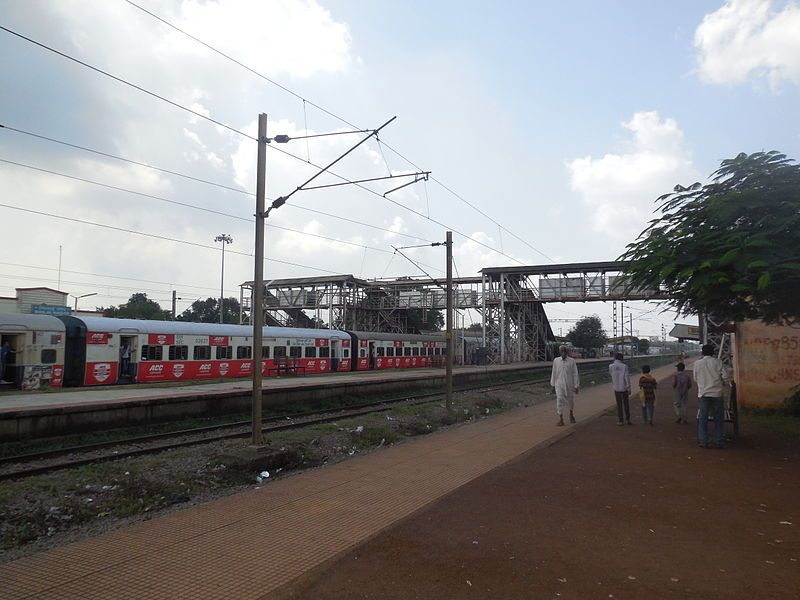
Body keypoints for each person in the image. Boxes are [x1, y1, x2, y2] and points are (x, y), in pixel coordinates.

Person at [693, 344, 727, 449]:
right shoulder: (718, 362)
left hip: (703, 394)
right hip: (716, 393)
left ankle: (703, 441)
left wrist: (702, 384)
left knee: (703, 418)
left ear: (702, 352)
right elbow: (725, 376)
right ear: (713, 352)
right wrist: (722, 382)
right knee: (718, 418)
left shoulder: (697, 364)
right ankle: (718, 441)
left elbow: (695, 378)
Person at [551, 345, 580, 426]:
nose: (563, 353)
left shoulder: (572, 361)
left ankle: (571, 413)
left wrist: (576, 385)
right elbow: (554, 372)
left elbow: (575, 373)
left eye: (565, 351)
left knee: (570, 400)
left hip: (569, 384)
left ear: (567, 352)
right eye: (562, 351)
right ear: (560, 352)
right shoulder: (556, 361)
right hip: (559, 384)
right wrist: (553, 385)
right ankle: (561, 418)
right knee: (559, 399)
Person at [609, 352, 632, 425]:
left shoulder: (611, 366)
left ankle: (620, 420)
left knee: (619, 404)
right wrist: (629, 388)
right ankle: (628, 419)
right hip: (624, 388)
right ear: (621, 358)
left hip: (616, 388)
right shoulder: (624, 366)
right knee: (626, 404)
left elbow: (611, 374)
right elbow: (626, 377)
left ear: (615, 358)